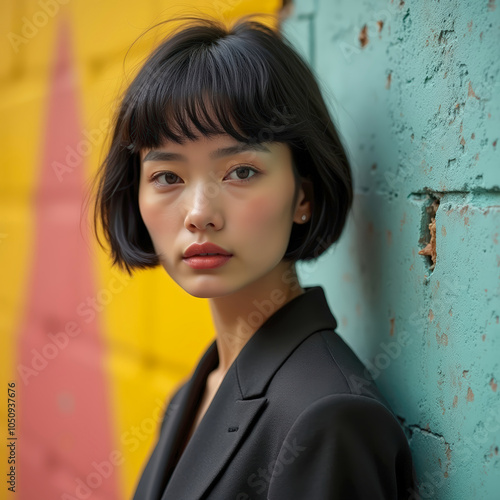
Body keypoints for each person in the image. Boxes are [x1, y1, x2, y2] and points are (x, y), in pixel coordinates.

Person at [90, 13, 418, 499]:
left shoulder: (329, 418)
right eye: (168, 177)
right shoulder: (194, 392)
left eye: (241, 171)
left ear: (302, 195)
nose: (200, 214)